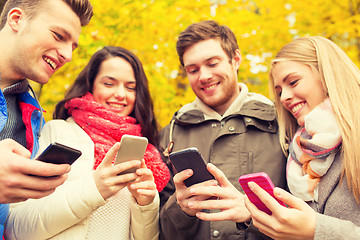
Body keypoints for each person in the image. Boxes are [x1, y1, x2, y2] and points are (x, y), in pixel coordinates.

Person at [5, 46, 170, 239]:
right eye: (109, 84)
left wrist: (146, 205)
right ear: (91, 85)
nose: (120, 94)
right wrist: (95, 188)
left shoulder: (146, 152)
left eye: (130, 87)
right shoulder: (58, 131)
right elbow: (17, 229)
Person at [159, 20, 286, 240]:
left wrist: (252, 217)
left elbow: (310, 216)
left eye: (212, 63)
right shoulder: (170, 134)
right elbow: (161, 230)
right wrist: (182, 210)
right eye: (193, 69)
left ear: (236, 59)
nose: (204, 76)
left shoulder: (283, 123)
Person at [243, 36, 360, 239]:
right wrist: (250, 213)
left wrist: (318, 230)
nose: (283, 97)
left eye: (293, 82)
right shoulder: (298, 153)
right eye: (279, 91)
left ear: (326, 73)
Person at [0, 0, 92, 236]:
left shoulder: (33, 116)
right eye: (58, 35)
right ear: (16, 19)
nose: (68, 55)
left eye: (73, 46)